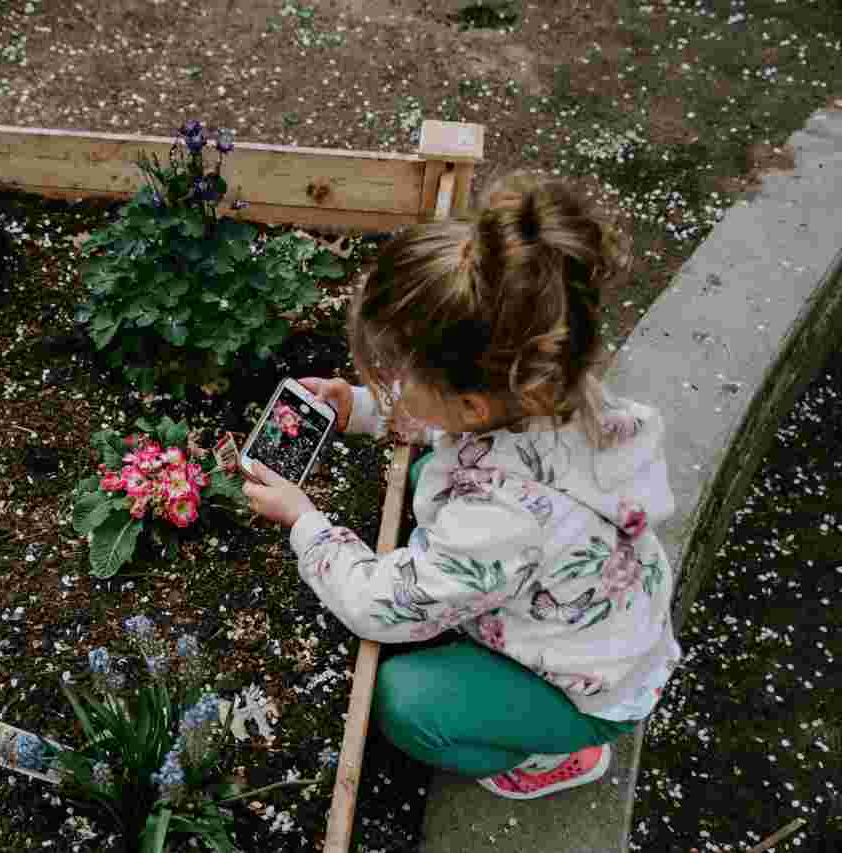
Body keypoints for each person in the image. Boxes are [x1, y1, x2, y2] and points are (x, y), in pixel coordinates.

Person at [242, 173, 681, 800]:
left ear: (472, 404)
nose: (391, 380)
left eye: (398, 374)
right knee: (428, 474)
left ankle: (557, 753)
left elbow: (379, 606)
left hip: (582, 686)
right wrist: (363, 409)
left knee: (407, 702)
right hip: (595, 612)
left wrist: (304, 522)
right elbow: (452, 426)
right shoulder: (551, 389)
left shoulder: (495, 520)